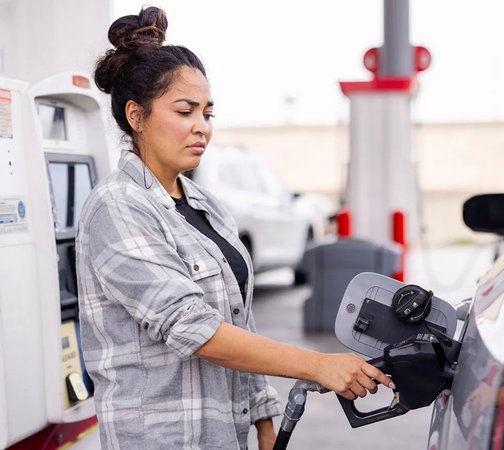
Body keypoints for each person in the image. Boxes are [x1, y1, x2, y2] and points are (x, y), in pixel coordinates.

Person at [77, 7, 393, 449]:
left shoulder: (206, 206)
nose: (201, 128)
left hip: (226, 436)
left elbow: (238, 320)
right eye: (185, 111)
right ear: (136, 115)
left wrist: (264, 415)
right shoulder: (117, 207)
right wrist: (318, 365)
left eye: (208, 113)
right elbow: (193, 327)